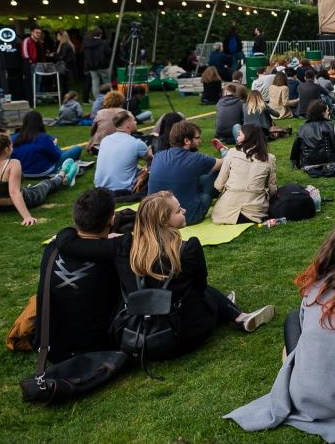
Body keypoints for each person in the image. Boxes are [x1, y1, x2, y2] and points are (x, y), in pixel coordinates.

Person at [225, 219, 335, 439]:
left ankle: (302, 362)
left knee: (294, 319)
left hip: (304, 395)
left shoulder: (313, 287)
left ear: (329, 250)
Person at [57, 191, 273, 356]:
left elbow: (68, 244)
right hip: (185, 334)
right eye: (178, 211)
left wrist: (68, 230)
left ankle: (229, 309)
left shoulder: (123, 246)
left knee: (196, 293)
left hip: (138, 336)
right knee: (205, 293)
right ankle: (237, 314)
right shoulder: (189, 248)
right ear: (163, 220)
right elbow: (199, 289)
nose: (184, 211)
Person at [34, 187, 120, 363]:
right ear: (111, 219)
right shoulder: (116, 255)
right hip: (100, 349)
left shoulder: (53, 248)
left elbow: (67, 236)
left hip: (52, 348)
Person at [211, 124, 276, 224]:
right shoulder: (270, 158)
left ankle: (223, 150)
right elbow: (272, 188)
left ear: (248, 137)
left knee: (226, 156)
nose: (237, 137)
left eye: (239, 135)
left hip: (226, 212)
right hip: (255, 213)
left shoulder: (232, 152)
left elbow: (219, 184)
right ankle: (223, 150)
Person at [94, 111, 153, 197]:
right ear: (128, 125)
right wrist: (146, 173)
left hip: (100, 187)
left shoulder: (105, 140)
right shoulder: (137, 143)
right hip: (123, 189)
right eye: (134, 120)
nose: (136, 122)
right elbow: (153, 163)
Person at [10, 110, 82, 178]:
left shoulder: (13, 138)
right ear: (40, 123)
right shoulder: (43, 138)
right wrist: (54, 145)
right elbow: (57, 157)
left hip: (21, 172)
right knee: (77, 148)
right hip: (43, 171)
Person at [294, 100, 335, 167]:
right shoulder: (330, 125)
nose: (328, 112)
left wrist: (296, 162)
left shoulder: (302, 128)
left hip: (307, 162)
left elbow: (296, 148)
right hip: (329, 161)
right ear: (322, 113)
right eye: (327, 110)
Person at [82, 28, 112, 101]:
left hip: (91, 66)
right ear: (100, 35)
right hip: (103, 65)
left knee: (95, 83)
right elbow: (109, 53)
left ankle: (98, 99)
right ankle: (109, 98)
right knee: (107, 82)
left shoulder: (87, 44)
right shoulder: (104, 43)